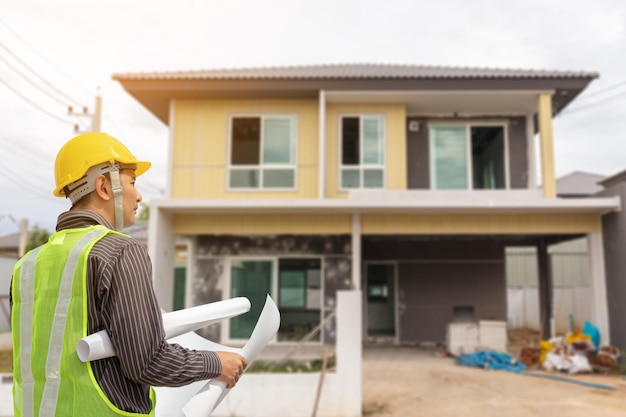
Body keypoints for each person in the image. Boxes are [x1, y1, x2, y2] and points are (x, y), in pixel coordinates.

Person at [11, 132, 247, 416]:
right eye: (132, 182)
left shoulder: (26, 265)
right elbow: (148, 360)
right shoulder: (119, 251)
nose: (139, 194)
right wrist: (218, 363)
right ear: (103, 186)